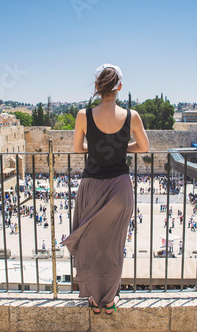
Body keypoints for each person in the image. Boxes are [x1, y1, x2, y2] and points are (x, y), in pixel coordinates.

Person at [62, 63, 149, 315]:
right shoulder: (131, 116)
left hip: (92, 185)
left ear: (97, 87)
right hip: (120, 188)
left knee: (90, 243)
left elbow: (78, 149)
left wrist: (96, 149)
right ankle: (109, 300)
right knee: (114, 247)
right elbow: (143, 147)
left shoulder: (82, 115)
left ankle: (92, 298)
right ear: (119, 86)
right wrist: (123, 148)